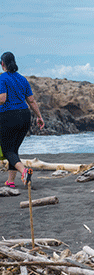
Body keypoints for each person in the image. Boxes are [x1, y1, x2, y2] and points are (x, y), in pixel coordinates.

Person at [0, 51, 44, 188]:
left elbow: (2, 99)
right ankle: (11, 181)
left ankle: (24, 171)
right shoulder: (22, 79)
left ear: (3, 64)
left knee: (7, 150)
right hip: (25, 116)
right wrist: (39, 116)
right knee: (13, 149)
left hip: (8, 116)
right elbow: (31, 101)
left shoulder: (2, 78)